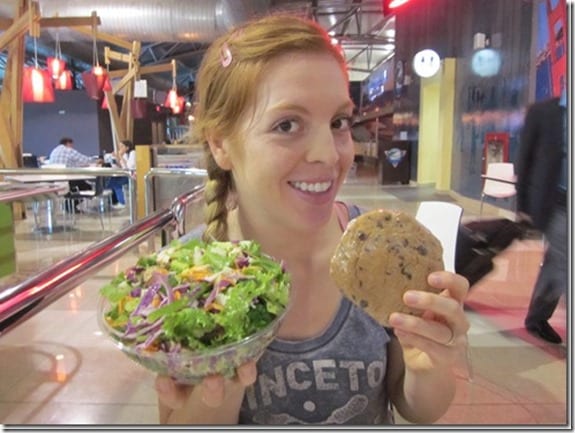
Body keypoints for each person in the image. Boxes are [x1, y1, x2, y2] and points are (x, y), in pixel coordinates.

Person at [154, 14, 470, 425]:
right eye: (287, 125)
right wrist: (222, 383)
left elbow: (416, 407)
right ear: (221, 144)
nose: (329, 153)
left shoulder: (382, 258)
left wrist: (430, 368)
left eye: (338, 122)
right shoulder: (186, 279)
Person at [516, 90, 568, 344]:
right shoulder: (543, 113)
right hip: (556, 202)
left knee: (557, 263)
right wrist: (523, 204)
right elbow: (524, 160)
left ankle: (537, 317)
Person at [48, 136, 98, 213]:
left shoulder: (54, 151)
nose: (72, 147)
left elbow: (68, 164)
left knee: (77, 185)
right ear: (68, 143)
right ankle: (69, 206)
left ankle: (69, 205)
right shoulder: (68, 150)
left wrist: (79, 165)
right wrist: (97, 160)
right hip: (67, 180)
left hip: (55, 181)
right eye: (72, 145)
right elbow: (85, 159)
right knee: (87, 187)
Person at [105, 140, 136, 209]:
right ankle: (118, 201)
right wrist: (116, 158)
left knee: (116, 183)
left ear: (127, 147)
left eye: (122, 146)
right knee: (111, 181)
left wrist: (120, 157)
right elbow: (121, 166)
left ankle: (122, 202)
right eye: (119, 147)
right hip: (125, 174)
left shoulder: (133, 153)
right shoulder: (125, 155)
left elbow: (129, 167)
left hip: (132, 175)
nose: (120, 148)